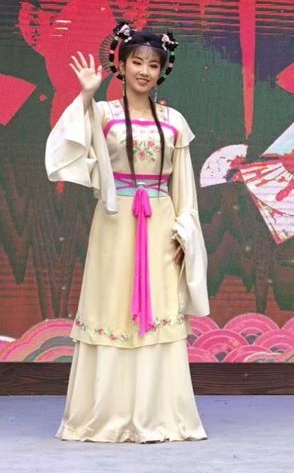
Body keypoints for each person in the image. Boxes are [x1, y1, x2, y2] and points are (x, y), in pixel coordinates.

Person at [45, 22, 209, 442]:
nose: (144, 71)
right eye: (136, 62)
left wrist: (185, 232)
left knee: (158, 308)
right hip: (115, 221)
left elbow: (183, 186)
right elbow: (69, 145)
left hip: (160, 224)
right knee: (111, 306)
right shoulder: (103, 114)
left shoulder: (174, 121)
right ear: (121, 64)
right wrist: (86, 95)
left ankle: (159, 416)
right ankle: (104, 416)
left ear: (163, 70)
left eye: (153, 64)